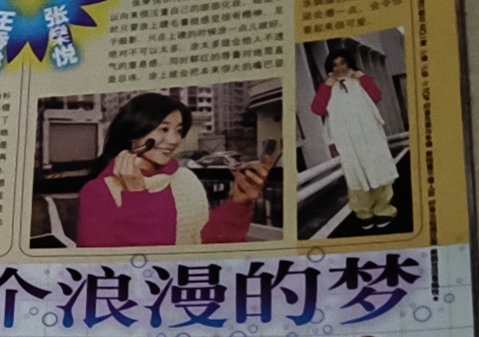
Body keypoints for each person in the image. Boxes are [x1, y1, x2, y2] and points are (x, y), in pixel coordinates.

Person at [74, 92, 271, 248]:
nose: (173, 140)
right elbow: (108, 269)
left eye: (179, 131)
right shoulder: (98, 192)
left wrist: (239, 203)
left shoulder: (185, 179)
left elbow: (206, 243)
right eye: (164, 129)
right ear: (134, 132)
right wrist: (137, 198)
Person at [310, 48, 398, 230]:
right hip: (347, 140)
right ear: (330, 68)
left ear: (349, 63)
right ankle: (364, 213)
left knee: (377, 168)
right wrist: (327, 86)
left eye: (343, 63)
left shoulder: (360, 80)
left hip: (370, 135)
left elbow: (376, 97)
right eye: (335, 65)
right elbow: (317, 109)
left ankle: (384, 209)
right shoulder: (328, 87)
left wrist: (363, 78)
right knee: (355, 174)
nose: (339, 68)